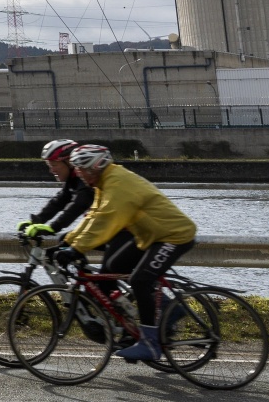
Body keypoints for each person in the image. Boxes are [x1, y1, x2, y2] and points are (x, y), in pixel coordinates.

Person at [52, 143, 197, 363]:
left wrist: (76, 249)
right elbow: (93, 216)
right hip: (149, 236)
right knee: (111, 270)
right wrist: (69, 242)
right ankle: (146, 320)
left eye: (81, 169)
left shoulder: (118, 183)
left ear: (94, 167)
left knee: (140, 280)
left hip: (172, 236)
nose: (78, 174)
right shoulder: (104, 182)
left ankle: (150, 342)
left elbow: (106, 220)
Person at [16, 138, 94, 242]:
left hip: (116, 228)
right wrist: (37, 220)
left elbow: (79, 204)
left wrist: (53, 227)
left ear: (69, 162)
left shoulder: (85, 179)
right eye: (49, 166)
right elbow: (59, 201)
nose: (51, 170)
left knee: (69, 243)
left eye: (54, 165)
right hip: (103, 225)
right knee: (66, 242)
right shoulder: (73, 179)